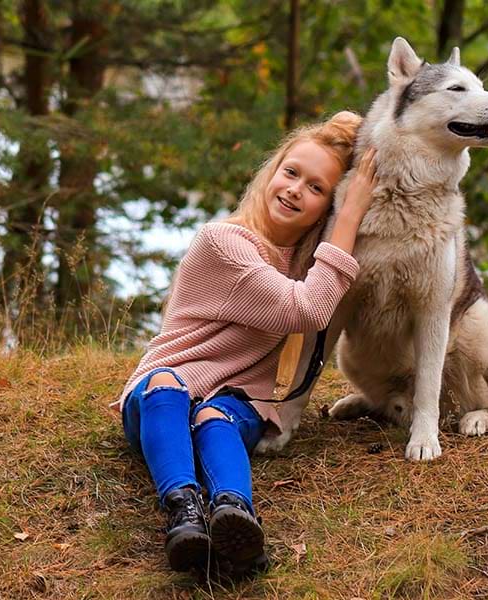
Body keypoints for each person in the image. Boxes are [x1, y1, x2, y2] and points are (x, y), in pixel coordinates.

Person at [115, 111, 377, 574]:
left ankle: (235, 516)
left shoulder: (308, 260)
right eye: (291, 172)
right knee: (167, 387)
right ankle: (184, 512)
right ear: (271, 173)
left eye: (317, 188)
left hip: (236, 403)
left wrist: (361, 148)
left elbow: (316, 291)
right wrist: (351, 212)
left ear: (327, 208)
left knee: (216, 415)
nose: (296, 189)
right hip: (162, 402)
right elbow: (308, 309)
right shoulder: (225, 242)